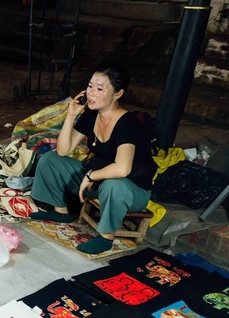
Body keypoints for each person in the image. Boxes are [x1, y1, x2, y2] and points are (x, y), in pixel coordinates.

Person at [29, 62, 157, 254]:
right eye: (90, 86)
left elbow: (123, 169)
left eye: (99, 89)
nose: (91, 93)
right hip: (99, 180)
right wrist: (71, 116)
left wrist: (90, 176)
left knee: (114, 184)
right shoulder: (91, 114)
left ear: (117, 94)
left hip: (131, 189)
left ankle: (106, 237)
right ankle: (61, 212)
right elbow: (64, 150)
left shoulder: (127, 123)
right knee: (50, 160)